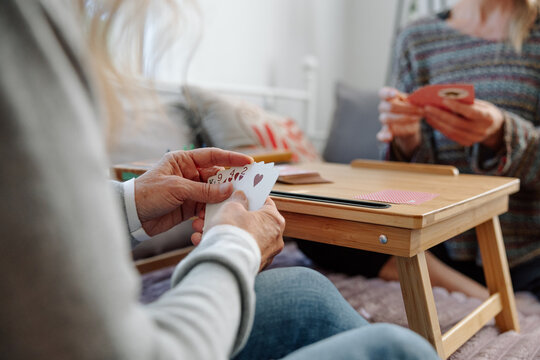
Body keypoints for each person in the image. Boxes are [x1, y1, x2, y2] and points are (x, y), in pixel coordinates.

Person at [0, 1, 440, 359]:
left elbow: (23, 229)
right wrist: (236, 245)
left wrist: (131, 203)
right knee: (396, 347)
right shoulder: (24, 29)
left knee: (305, 287)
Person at [299, 0, 540, 301]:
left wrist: (502, 133)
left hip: (527, 249)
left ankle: (478, 286)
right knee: (315, 226)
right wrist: (406, 139)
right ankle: (480, 293)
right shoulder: (417, 37)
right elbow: (401, 178)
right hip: (438, 238)